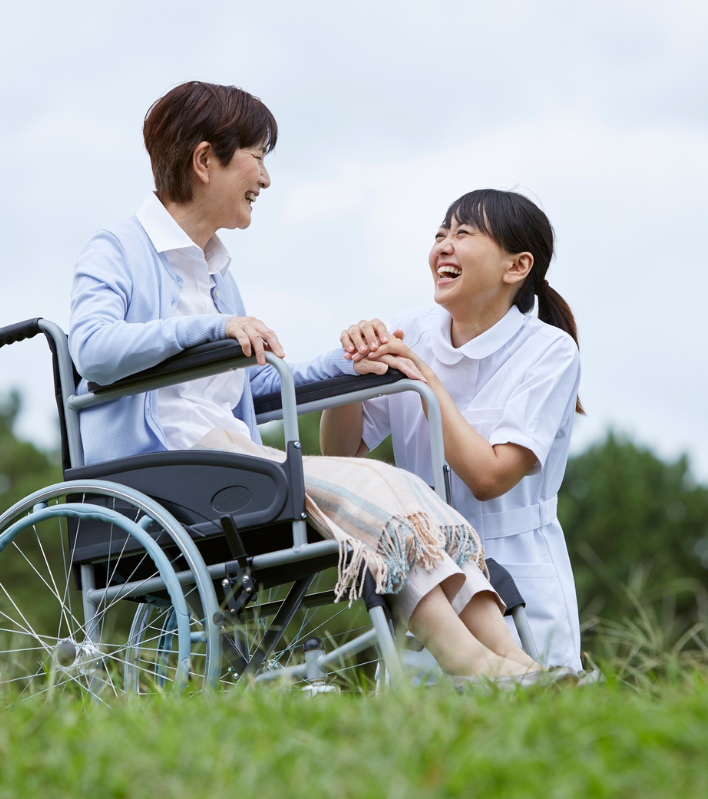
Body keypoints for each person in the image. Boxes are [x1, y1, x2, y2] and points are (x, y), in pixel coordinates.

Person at [69, 82, 572, 683]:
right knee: (380, 492)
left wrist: (346, 363)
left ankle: (516, 665)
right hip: (169, 471)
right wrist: (215, 328)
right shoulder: (119, 249)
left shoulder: (215, 272)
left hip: (230, 460)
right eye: (257, 156)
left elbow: (245, 392)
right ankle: (476, 665)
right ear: (207, 162)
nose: (266, 177)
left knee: (400, 494)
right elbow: (92, 350)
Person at [321, 189, 584, 671]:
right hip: (427, 573)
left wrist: (425, 380)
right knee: (428, 737)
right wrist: (352, 377)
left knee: (532, 721)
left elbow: (489, 478)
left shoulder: (550, 352)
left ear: (516, 266)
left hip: (518, 571)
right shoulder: (410, 330)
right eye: (441, 233)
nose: (444, 244)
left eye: (464, 233)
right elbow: (343, 453)